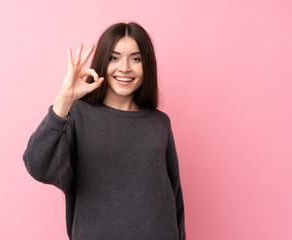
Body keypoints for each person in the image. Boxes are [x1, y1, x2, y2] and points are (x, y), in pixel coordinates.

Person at [23, 22, 186, 240]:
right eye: (114, 57)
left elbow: (174, 197)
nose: (125, 68)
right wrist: (63, 102)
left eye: (136, 58)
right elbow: (37, 165)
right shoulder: (77, 115)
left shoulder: (159, 123)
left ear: (147, 65)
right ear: (102, 62)